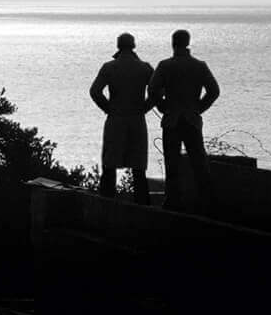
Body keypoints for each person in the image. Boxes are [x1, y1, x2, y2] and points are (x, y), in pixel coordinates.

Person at [149, 29, 220, 209]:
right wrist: (199, 108)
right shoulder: (199, 66)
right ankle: (207, 200)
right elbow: (214, 91)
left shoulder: (165, 66)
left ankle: (173, 201)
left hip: (171, 120)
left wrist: (162, 106)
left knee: (172, 162)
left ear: (173, 43)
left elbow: (152, 89)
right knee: (199, 162)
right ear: (188, 43)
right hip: (192, 120)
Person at [88, 32, 155, 205]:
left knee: (109, 165)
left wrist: (108, 108)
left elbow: (95, 91)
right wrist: (145, 108)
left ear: (118, 46)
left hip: (115, 119)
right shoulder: (145, 68)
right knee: (138, 167)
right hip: (137, 120)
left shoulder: (109, 67)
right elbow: (157, 92)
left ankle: (106, 205)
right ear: (133, 46)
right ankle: (143, 206)